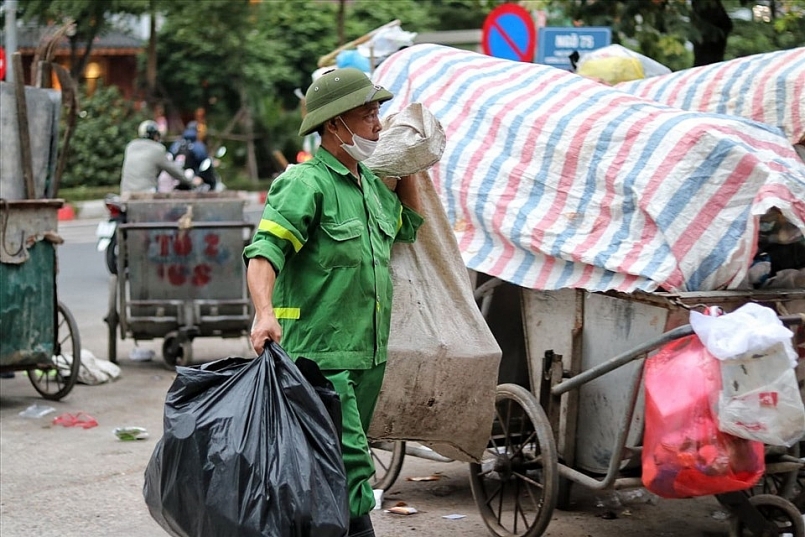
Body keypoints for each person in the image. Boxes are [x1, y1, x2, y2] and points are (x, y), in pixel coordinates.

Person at [243, 67, 423, 537]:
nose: (378, 126)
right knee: (350, 466)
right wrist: (264, 313)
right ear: (335, 124)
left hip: (368, 356)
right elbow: (264, 252)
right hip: (320, 358)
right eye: (368, 116)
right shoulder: (306, 183)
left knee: (323, 470)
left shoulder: (369, 186)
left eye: (378, 114)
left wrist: (408, 162)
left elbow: (406, 226)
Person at [120, 120, 199, 193]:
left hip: (126, 193)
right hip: (146, 193)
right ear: (154, 135)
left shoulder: (130, 146)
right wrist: (191, 181)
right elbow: (173, 170)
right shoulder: (157, 149)